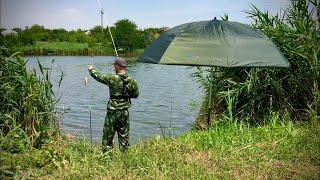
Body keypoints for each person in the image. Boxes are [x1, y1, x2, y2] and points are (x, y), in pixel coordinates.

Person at [88, 57, 139, 152]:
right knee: (124, 137)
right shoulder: (132, 80)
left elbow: (99, 77)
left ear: (117, 66)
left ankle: (107, 159)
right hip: (124, 112)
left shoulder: (112, 78)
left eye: (114, 65)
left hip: (113, 112)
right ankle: (125, 158)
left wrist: (91, 70)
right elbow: (135, 95)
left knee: (108, 137)